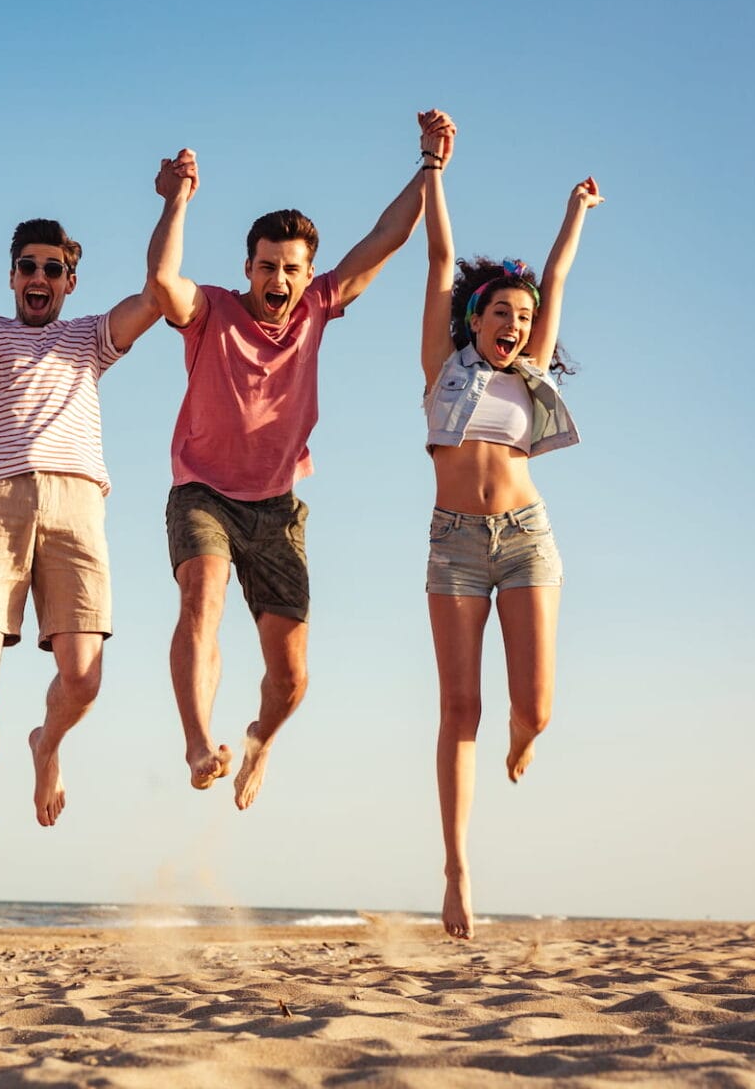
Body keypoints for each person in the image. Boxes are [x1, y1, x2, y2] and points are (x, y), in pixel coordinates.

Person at [146, 113, 457, 809]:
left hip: (279, 506)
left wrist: (430, 164)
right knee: (202, 600)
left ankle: (260, 739)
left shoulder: (319, 306)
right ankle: (199, 744)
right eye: (266, 266)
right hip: (202, 493)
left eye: (291, 268)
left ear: (308, 273)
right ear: (247, 267)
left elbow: (388, 237)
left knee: (290, 681)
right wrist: (177, 202)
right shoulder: (212, 312)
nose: (278, 279)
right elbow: (164, 279)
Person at [0, 187, 176, 898]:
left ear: (70, 281)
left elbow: (158, 296)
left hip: (76, 506)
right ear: (12, 276)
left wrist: (172, 201)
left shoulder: (91, 337)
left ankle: (47, 744)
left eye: (52, 269)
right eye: (26, 267)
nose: (38, 279)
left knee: (83, 677)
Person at [421, 131, 601, 938]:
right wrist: (434, 168)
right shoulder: (444, 365)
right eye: (503, 313)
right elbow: (439, 256)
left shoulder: (529, 375)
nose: (517, 327)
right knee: (460, 709)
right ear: (476, 316)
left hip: (528, 537)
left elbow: (557, 274)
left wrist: (575, 212)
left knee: (537, 710)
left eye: (526, 320)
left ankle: (524, 743)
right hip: (455, 544)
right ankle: (458, 874)